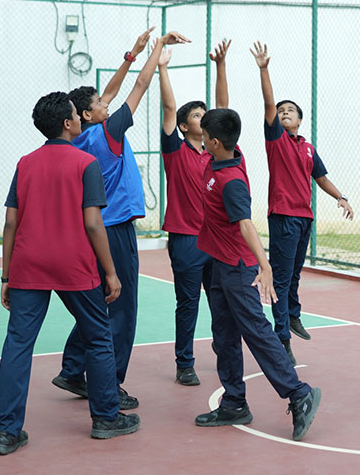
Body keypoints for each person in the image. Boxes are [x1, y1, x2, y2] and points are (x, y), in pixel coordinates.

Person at [0, 92, 139, 455]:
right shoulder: (85, 163)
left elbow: (11, 222)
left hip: (28, 265)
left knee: (18, 345)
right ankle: (105, 418)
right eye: (77, 114)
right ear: (70, 123)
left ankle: (5, 432)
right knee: (100, 337)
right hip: (74, 266)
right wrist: (111, 272)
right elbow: (93, 223)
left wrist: (6, 276)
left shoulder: (25, 163)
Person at [53, 27, 190, 409]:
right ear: (85, 114)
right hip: (114, 231)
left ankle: (72, 369)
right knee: (122, 309)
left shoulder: (78, 135)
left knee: (97, 302)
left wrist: (132, 52)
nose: (106, 103)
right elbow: (139, 87)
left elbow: (110, 93)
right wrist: (157, 50)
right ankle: (109, 385)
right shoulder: (107, 133)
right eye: (99, 103)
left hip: (93, 230)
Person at [193, 108, 322, 442]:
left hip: (238, 267)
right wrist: (220, 66)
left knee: (256, 331)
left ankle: (298, 392)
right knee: (223, 334)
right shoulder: (224, 155)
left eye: (206, 136)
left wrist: (264, 267)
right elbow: (221, 106)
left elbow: (246, 224)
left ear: (215, 142)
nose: (202, 139)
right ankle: (234, 401)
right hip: (219, 264)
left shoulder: (231, 179)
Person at [251, 42, 353, 363]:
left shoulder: (308, 148)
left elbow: (321, 178)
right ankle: (282, 338)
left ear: (299, 120)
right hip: (282, 216)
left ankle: (293, 315)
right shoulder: (276, 141)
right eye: (280, 111)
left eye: (289, 111)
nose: (283, 113)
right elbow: (269, 103)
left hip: (304, 218)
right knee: (281, 278)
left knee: (294, 274)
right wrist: (264, 69)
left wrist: (341, 197)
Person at [157, 39, 233, 387]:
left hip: (215, 241)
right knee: (188, 305)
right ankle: (184, 363)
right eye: (197, 115)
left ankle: (224, 351)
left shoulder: (216, 154)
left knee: (222, 303)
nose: (204, 118)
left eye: (206, 116)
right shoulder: (175, 151)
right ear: (185, 126)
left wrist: (220, 65)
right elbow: (169, 107)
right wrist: (162, 67)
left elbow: (223, 108)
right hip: (187, 241)